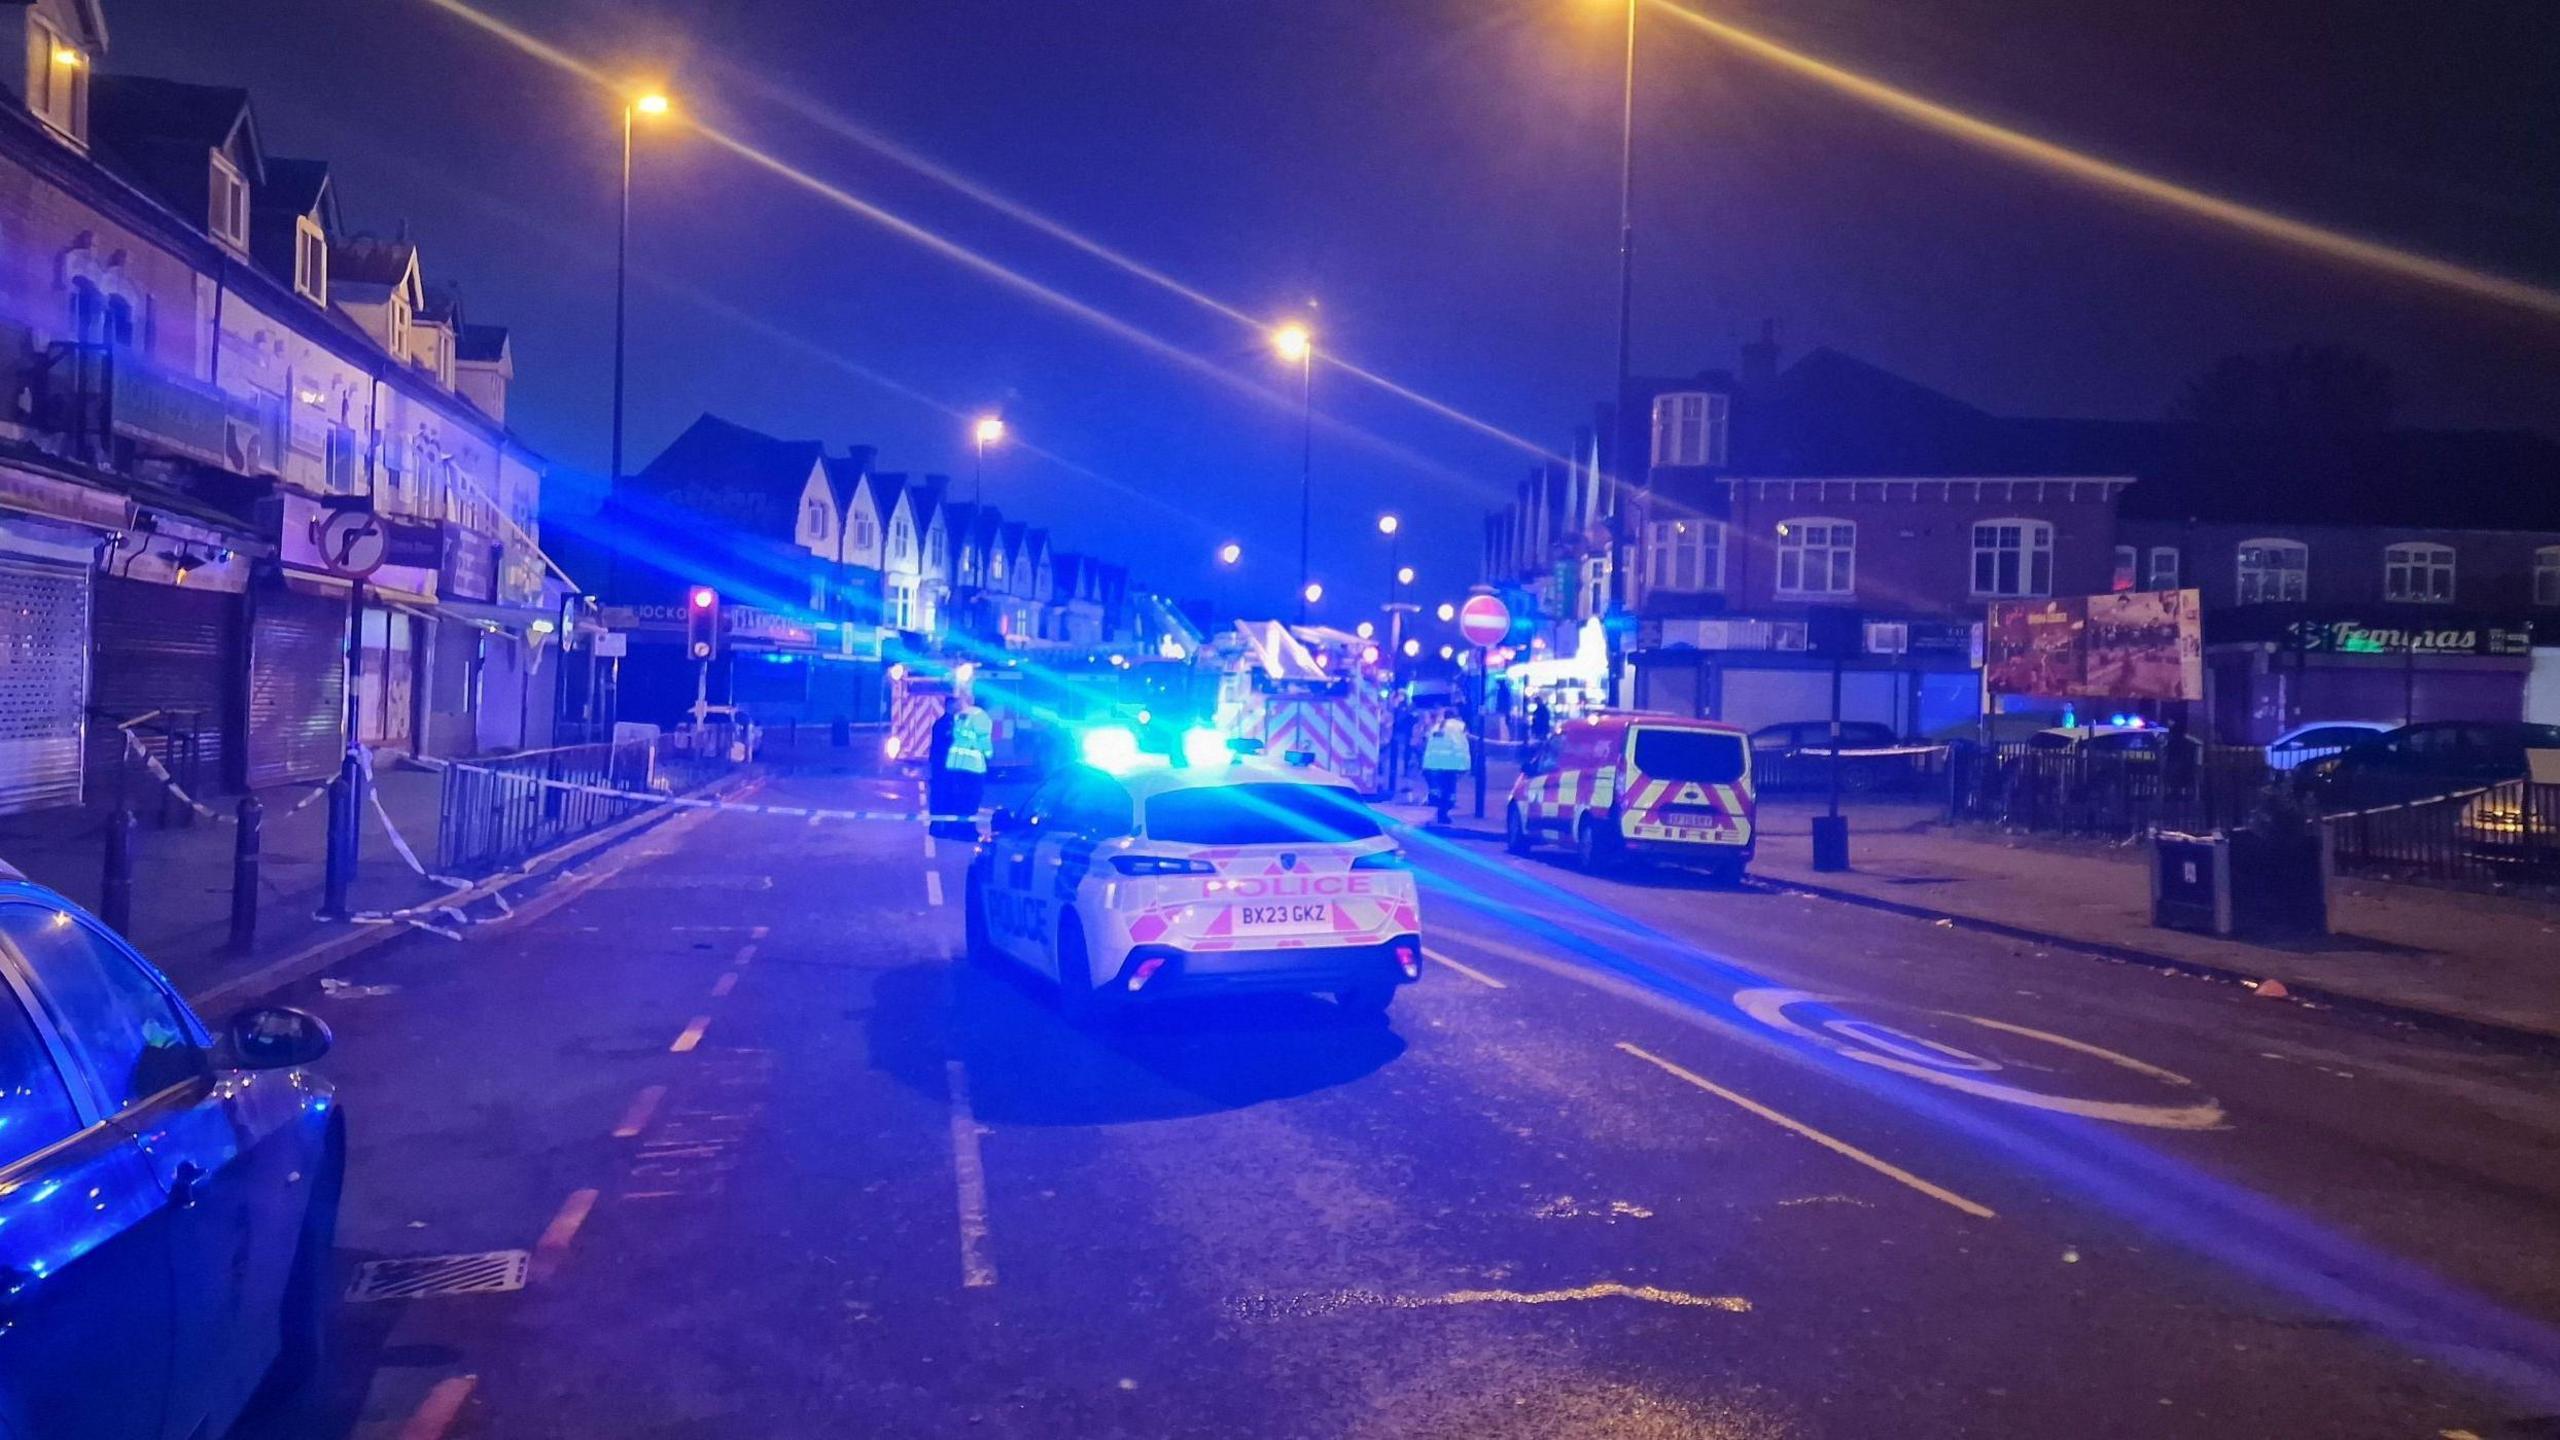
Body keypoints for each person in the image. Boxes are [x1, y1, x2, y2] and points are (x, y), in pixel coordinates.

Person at [1422, 712, 1470, 825]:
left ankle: (1437, 805)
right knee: (1449, 789)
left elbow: (1427, 740)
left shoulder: (1437, 726)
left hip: (1433, 763)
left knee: (1438, 789)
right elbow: (1463, 744)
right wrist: (1465, 766)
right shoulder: (1460, 725)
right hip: (1451, 763)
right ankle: (1443, 813)